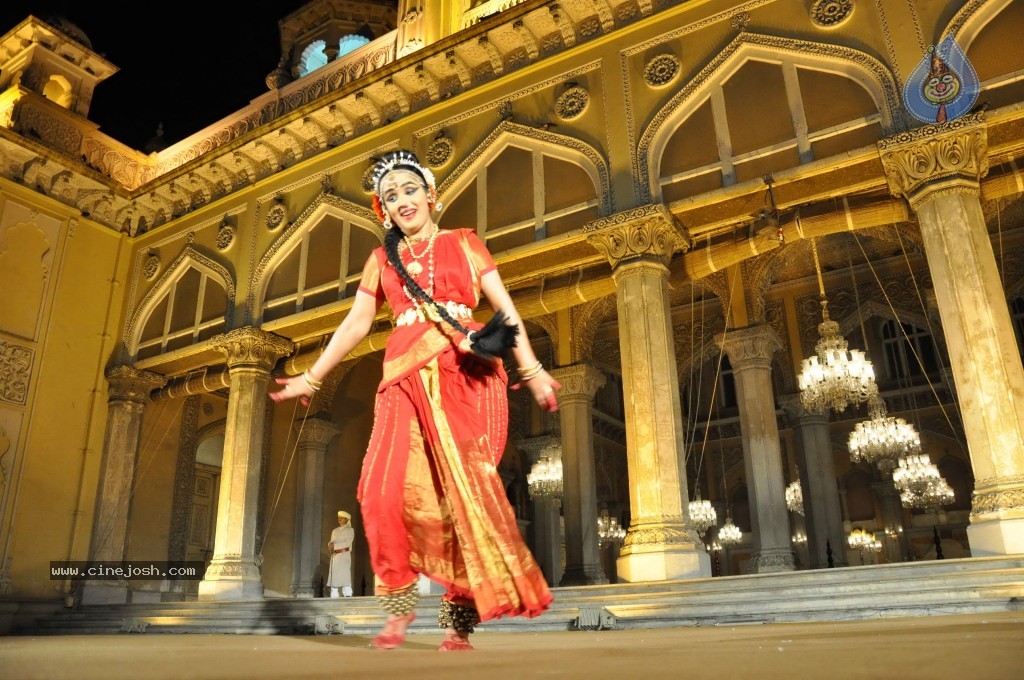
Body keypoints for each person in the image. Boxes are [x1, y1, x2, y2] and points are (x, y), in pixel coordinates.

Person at [271, 150, 559, 651]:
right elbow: (357, 323)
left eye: (409, 190)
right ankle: (399, 604)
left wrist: (531, 372)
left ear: (430, 195)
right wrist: (311, 378)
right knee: (378, 491)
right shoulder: (382, 259)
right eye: (391, 196)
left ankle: (457, 622)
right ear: (383, 211)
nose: (401, 200)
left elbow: (505, 309)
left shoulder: (464, 242)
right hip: (403, 372)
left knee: (461, 496)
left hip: (465, 372)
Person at [327, 510, 354, 598]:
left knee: (344, 574)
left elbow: (347, 543)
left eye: (341, 518)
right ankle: (334, 594)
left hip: (344, 554)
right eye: (339, 518)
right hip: (335, 556)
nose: (339, 519)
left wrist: (334, 545)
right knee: (334, 575)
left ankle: (347, 593)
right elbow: (331, 541)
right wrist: (330, 544)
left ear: (346, 519)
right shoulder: (334, 530)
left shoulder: (350, 530)